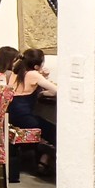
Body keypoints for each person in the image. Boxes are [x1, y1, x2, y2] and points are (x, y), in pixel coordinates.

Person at [7, 48, 57, 177]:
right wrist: (42, 83)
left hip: (12, 116)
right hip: (26, 118)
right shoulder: (33, 74)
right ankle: (45, 161)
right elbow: (56, 90)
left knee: (47, 129)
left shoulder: (16, 72)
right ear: (36, 65)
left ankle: (43, 160)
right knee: (56, 133)